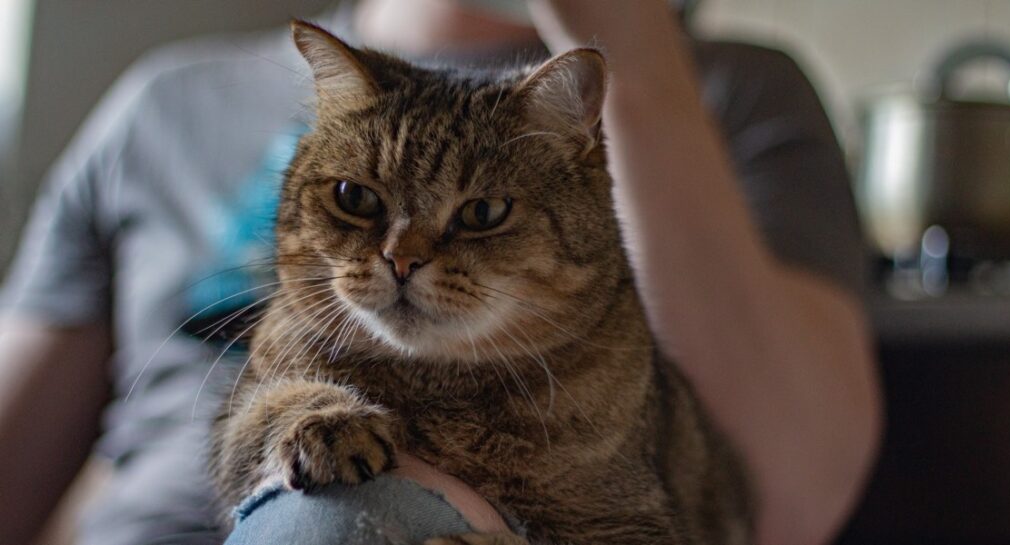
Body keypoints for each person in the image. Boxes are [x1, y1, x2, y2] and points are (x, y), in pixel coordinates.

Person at [0, 1, 881, 544]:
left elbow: (791, 503)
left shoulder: (733, 90)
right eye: (352, 199)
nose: (404, 258)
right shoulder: (166, 98)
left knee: (338, 520)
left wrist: (637, 54)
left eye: (482, 217)